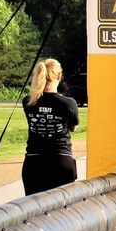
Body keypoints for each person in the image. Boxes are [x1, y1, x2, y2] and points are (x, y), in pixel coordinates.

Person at [21, 59, 80, 195]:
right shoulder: (68, 103)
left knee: (34, 210)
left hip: (34, 161)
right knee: (61, 212)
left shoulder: (28, 101)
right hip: (61, 160)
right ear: (59, 76)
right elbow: (73, 127)